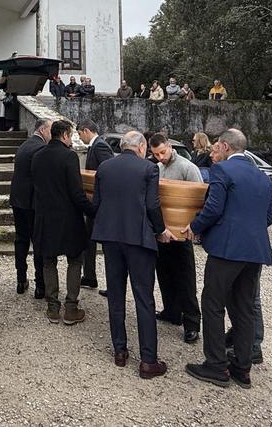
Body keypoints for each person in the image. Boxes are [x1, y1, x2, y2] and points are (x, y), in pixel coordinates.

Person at [184, 128, 272, 390]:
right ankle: (242, 368)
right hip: (254, 251)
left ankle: (216, 365)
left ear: (224, 146)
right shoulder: (263, 176)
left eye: (216, 148)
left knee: (213, 303)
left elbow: (213, 208)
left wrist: (195, 226)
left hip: (227, 249)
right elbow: (268, 218)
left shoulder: (223, 171)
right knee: (244, 308)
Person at [92, 131, 175, 379]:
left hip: (110, 237)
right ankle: (148, 360)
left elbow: (97, 202)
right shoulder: (148, 168)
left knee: (116, 295)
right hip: (138, 239)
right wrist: (160, 230)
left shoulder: (104, 167)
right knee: (143, 297)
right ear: (141, 147)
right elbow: (152, 204)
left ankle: (120, 351)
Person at [31, 120, 93, 325]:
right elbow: (76, 192)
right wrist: (92, 209)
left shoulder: (37, 156)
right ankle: (71, 307)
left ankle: (53, 307)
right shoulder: (69, 156)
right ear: (65, 135)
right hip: (68, 217)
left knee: (49, 260)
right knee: (75, 260)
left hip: (45, 216)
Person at [149, 133, 204, 344]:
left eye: (162, 152)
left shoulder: (188, 167)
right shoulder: (158, 168)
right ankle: (171, 311)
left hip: (181, 234)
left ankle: (192, 323)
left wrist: (194, 226)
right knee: (164, 274)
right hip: (163, 232)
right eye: (155, 154)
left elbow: (199, 198)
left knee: (186, 280)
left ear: (170, 147)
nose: (160, 157)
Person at [10, 119, 50, 298]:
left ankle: (20, 279)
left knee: (21, 240)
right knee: (38, 242)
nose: (52, 134)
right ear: (42, 129)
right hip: (33, 203)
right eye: (50, 130)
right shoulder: (41, 148)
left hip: (18, 200)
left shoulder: (24, 146)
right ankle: (40, 285)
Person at [77, 120, 114, 292]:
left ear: (86, 131)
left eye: (79, 133)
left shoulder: (100, 146)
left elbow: (107, 172)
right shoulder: (96, 145)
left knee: (99, 241)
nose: (79, 137)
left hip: (99, 202)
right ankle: (90, 275)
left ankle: (98, 279)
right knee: (88, 239)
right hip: (95, 201)